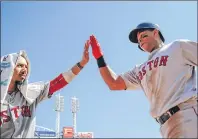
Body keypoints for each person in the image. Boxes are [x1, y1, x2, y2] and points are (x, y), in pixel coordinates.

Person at [89, 22, 197, 138]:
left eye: (144, 35)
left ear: (155, 33)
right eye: (138, 40)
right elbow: (114, 83)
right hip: (165, 124)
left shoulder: (176, 47)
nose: (140, 40)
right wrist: (99, 58)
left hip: (186, 113)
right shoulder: (140, 69)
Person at [0, 40, 90, 138]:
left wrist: (82, 64)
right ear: (8, 67)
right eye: (20, 65)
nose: (24, 69)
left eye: (26, 66)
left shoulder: (31, 93)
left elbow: (59, 81)